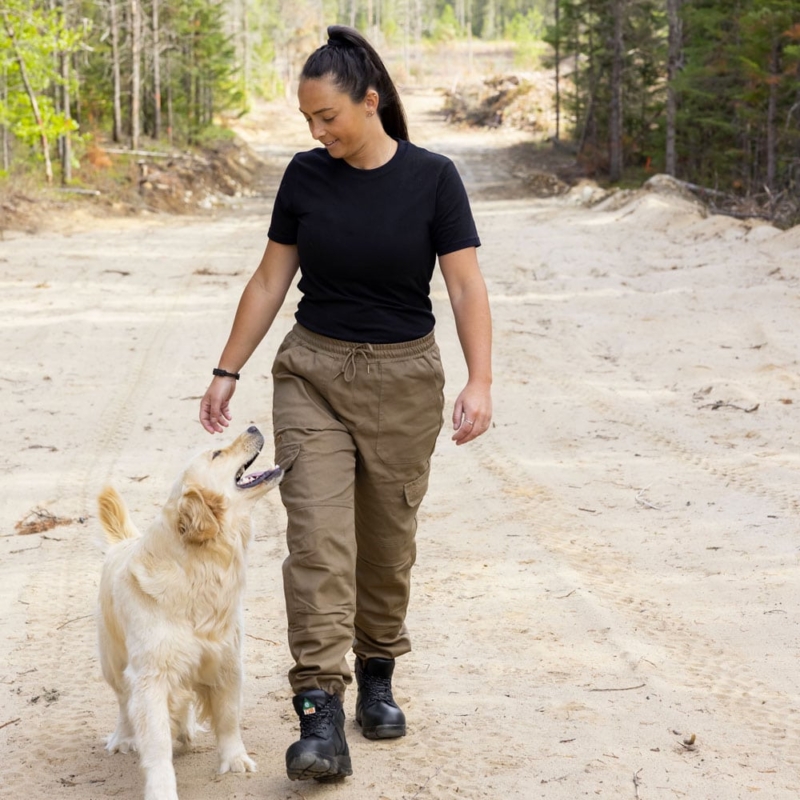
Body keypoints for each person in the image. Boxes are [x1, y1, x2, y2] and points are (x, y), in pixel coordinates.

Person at [199, 24, 492, 783]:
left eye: (328, 117)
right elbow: (270, 281)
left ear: (371, 102)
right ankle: (319, 710)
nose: (318, 132)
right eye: (308, 121)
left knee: (386, 544)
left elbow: (463, 286)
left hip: (404, 382)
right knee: (319, 543)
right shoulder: (304, 177)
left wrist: (479, 379)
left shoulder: (433, 178)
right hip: (313, 375)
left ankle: (379, 667)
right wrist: (228, 367)